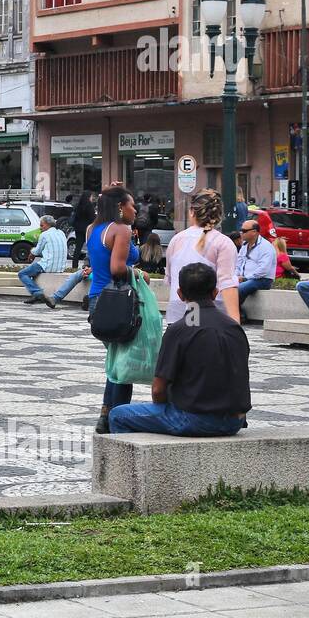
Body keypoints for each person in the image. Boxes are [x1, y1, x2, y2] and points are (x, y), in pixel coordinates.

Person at [108, 263, 250, 437]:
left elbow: (158, 389)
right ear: (215, 292)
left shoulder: (180, 329)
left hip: (195, 419)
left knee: (117, 415)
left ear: (180, 294)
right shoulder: (233, 328)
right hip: (234, 420)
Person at [86, 185, 142, 433]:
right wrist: (138, 273)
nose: (135, 209)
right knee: (124, 361)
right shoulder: (121, 229)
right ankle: (116, 415)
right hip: (118, 302)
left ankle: (108, 414)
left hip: (97, 300)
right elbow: (118, 268)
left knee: (118, 358)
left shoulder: (92, 229)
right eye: (131, 204)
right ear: (121, 207)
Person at [163, 189, 239, 326]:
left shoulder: (176, 240)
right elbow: (227, 286)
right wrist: (235, 326)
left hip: (178, 316)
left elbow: (170, 280)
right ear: (219, 214)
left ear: (192, 211)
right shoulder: (223, 243)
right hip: (212, 317)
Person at [18, 216, 68, 306]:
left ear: (48, 225)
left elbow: (37, 251)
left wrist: (31, 252)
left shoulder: (44, 235)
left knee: (22, 273)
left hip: (48, 265)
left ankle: (37, 293)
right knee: (33, 271)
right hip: (61, 267)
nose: (40, 228)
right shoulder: (61, 233)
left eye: (42, 225)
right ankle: (35, 296)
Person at [235, 218, 277, 304]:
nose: (241, 233)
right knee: (226, 286)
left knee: (240, 289)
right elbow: (238, 264)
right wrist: (236, 276)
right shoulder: (244, 245)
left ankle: (237, 313)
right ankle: (236, 313)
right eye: (240, 230)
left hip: (262, 280)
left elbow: (263, 270)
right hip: (245, 279)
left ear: (254, 232)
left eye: (244, 231)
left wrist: (245, 278)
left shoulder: (266, 247)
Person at [70, 190, 96, 269]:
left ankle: (74, 266)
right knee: (91, 247)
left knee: (78, 248)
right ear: (88, 197)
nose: (92, 198)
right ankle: (89, 264)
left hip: (78, 229)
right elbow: (92, 218)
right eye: (91, 196)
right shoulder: (89, 206)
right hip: (87, 230)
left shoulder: (78, 206)